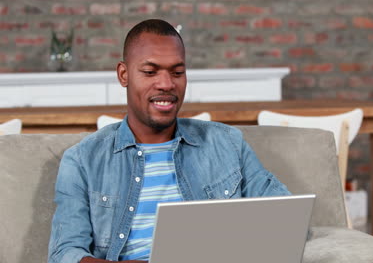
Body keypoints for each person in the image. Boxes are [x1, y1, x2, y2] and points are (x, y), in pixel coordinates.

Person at [48, 19, 290, 263]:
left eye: (177, 72)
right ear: (124, 75)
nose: (166, 84)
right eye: (150, 72)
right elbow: (65, 252)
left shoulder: (227, 143)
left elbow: (287, 218)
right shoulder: (81, 160)